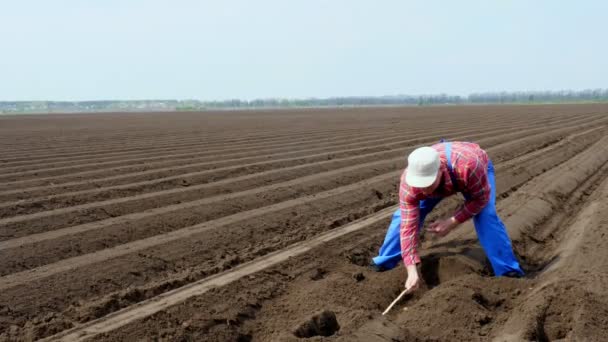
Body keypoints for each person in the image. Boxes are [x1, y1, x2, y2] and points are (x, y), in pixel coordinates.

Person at [371, 141, 524, 292]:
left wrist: (453, 221)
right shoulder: (409, 183)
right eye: (420, 185)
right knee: (401, 218)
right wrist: (411, 269)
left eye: (428, 184)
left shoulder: (469, 167)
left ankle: (508, 272)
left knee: (486, 216)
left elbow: (480, 199)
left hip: (472, 170)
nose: (424, 191)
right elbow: (408, 225)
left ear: (440, 171)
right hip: (447, 173)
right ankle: (385, 262)